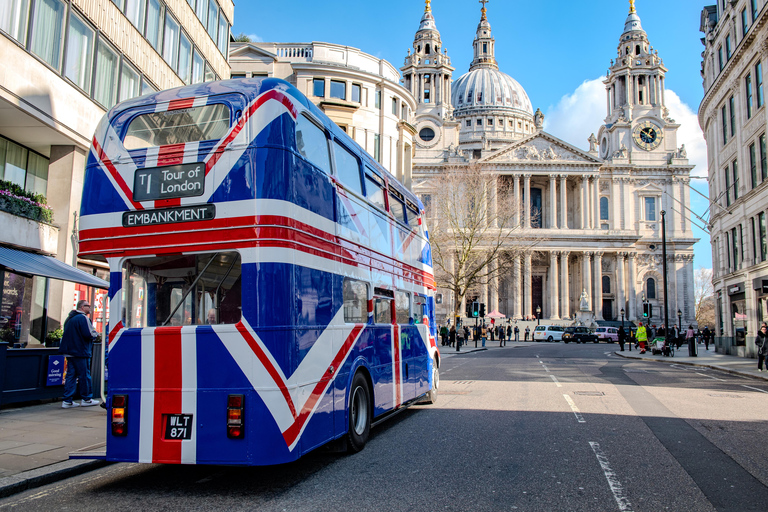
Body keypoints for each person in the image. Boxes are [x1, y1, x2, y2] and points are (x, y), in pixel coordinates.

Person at [59, 300, 100, 408]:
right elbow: (89, 334)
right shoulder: (83, 318)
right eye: (88, 306)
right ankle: (86, 398)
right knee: (84, 375)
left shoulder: (70, 318)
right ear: (82, 307)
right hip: (80, 351)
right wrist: (97, 334)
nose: (90, 308)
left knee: (71, 376)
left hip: (70, 352)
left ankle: (67, 400)